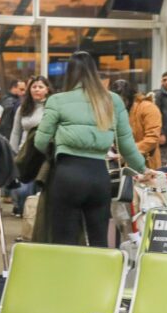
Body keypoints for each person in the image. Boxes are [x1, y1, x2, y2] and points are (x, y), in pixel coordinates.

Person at [34, 52, 145, 247]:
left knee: (64, 242)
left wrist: (58, 143)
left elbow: (39, 142)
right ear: (94, 73)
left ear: (69, 74)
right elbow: (127, 144)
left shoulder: (58, 100)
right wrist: (143, 169)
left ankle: (69, 278)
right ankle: (99, 277)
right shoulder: (113, 100)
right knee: (99, 241)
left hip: (67, 176)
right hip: (98, 177)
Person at [8, 76, 51, 216]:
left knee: (40, 190)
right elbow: (16, 132)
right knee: (22, 191)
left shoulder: (51, 107)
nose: (37, 89)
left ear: (47, 89)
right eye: (34, 86)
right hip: (25, 154)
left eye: (40, 87)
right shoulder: (23, 108)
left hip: (44, 154)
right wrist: (13, 153)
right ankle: (24, 214)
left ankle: (35, 220)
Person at [111, 79, 162, 170]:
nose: (118, 103)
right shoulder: (118, 111)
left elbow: (152, 138)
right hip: (125, 165)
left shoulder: (148, 108)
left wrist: (128, 154)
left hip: (147, 164)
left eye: (122, 100)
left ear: (130, 97)